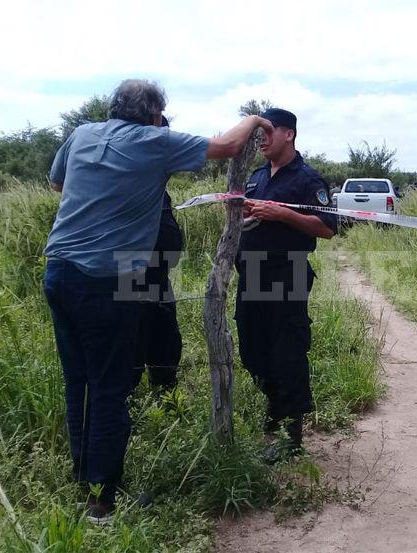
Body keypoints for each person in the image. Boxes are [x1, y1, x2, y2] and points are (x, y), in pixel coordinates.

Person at [44, 79, 272, 523]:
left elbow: (58, 184)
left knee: (79, 381)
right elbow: (227, 146)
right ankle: (102, 501)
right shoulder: (154, 141)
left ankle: (84, 477)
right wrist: (255, 118)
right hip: (107, 278)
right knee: (109, 386)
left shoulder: (82, 133)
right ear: (154, 115)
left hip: (59, 270)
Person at [234, 108, 337, 463]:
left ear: (288, 134)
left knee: (287, 353)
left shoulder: (308, 179)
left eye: (268, 132)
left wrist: (284, 214)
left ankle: (291, 434)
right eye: (259, 133)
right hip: (251, 273)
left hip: (286, 273)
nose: (261, 139)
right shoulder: (257, 176)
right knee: (253, 350)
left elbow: (327, 228)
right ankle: (274, 410)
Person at [132, 115, 184, 393]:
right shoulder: (125, 179)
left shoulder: (155, 184)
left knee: (165, 341)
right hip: (130, 276)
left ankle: (165, 397)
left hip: (158, 276)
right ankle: (126, 403)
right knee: (131, 344)